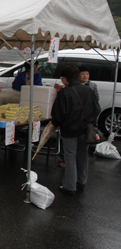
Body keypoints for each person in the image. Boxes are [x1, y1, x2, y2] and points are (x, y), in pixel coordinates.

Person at [51, 65, 100, 195]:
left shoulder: (64, 93)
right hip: (86, 129)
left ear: (65, 78)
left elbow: (58, 113)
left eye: (62, 77)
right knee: (83, 156)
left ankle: (69, 186)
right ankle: (81, 181)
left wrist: (56, 124)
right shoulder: (88, 90)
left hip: (70, 129)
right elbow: (96, 108)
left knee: (70, 157)